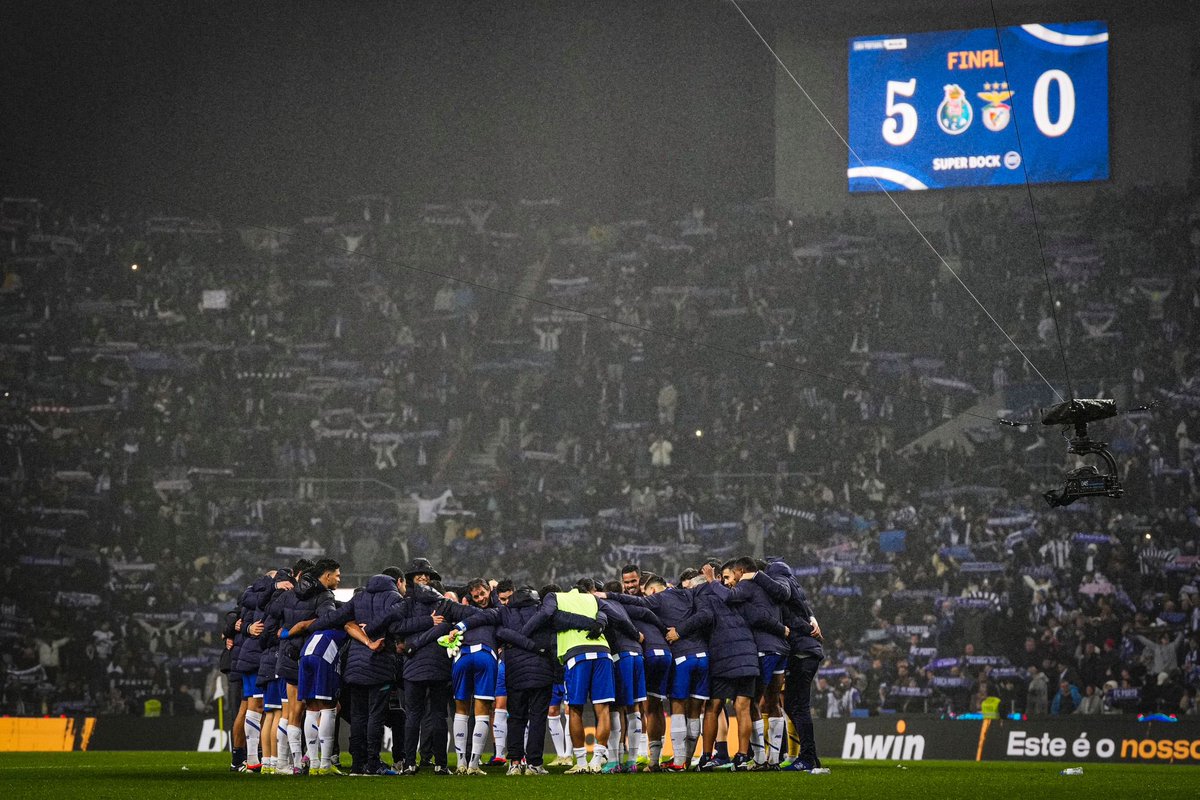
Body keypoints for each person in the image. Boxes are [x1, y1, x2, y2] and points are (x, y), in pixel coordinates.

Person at [603, 568, 710, 771]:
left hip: (663, 654)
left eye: (635, 581)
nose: (631, 586)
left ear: (648, 589)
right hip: (691, 654)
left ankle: (657, 760)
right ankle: (684, 760)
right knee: (690, 708)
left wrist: (607, 597)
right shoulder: (685, 595)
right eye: (627, 583)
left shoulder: (648, 600)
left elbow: (641, 608)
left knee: (651, 706)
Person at [297, 569, 399, 775]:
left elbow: (335, 617)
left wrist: (308, 626)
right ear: (397, 582)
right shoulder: (394, 598)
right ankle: (373, 763)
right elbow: (397, 620)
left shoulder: (359, 599)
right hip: (380, 665)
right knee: (375, 716)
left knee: (359, 716)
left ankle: (357, 764)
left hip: (354, 667)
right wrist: (371, 631)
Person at [367, 558, 452, 775]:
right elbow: (395, 626)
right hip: (435, 664)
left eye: (426, 575)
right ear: (412, 579)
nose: (423, 577)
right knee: (435, 715)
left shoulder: (407, 603)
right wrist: (428, 622)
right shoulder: (440, 603)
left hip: (414, 664)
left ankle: (412, 763)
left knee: (418, 715)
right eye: (419, 575)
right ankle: (437, 763)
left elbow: (394, 626)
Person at [520, 577, 614, 774]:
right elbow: (613, 614)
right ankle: (597, 761)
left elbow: (545, 613)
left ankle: (580, 762)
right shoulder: (593, 599)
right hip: (603, 652)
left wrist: (523, 633)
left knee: (575, 709)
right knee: (602, 708)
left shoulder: (555, 598)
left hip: (576, 653)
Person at [436, 578, 502, 774]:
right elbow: (500, 612)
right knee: (482, 711)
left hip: (461, 657)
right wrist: (494, 592)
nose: (481, 598)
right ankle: (473, 765)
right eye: (476, 596)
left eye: (483, 594)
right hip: (485, 656)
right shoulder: (495, 613)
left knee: (461, 711)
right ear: (471, 597)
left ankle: (460, 763)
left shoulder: (461, 611)